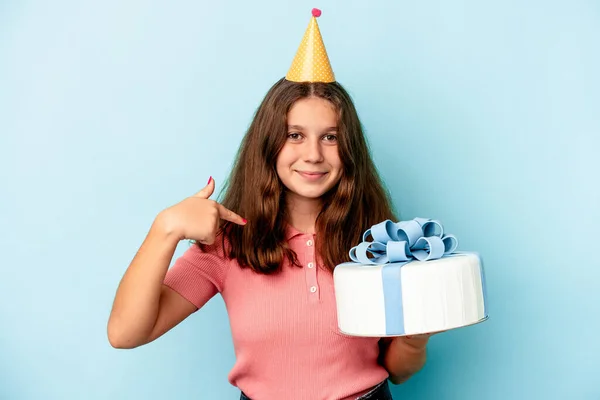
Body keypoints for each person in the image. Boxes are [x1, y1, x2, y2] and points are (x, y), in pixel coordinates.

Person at [107, 9, 432, 400]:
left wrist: (415, 338)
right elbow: (125, 333)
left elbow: (398, 371)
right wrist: (166, 229)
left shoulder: (378, 240)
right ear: (269, 145)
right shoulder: (228, 244)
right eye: (295, 135)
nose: (313, 154)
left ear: (349, 150)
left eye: (330, 137)